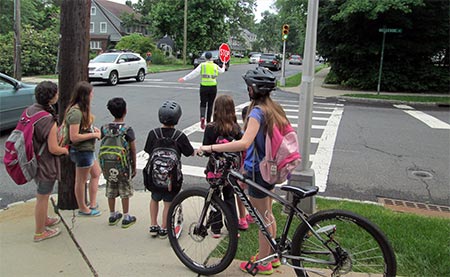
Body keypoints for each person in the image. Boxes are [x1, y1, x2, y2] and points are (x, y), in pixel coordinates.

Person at [200, 67, 286, 275]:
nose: (247, 89)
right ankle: (272, 256)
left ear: (253, 89)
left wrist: (211, 148)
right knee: (268, 213)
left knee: (262, 219)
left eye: (249, 86)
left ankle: (264, 263)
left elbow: (244, 143)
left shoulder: (257, 112)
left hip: (259, 171)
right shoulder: (274, 108)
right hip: (271, 167)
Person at [144, 100, 196, 239]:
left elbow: (149, 151)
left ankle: (153, 225)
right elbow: (189, 152)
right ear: (178, 118)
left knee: (154, 199)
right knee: (168, 202)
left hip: (154, 176)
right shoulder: (179, 136)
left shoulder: (153, 133)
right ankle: (164, 227)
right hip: (170, 179)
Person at [30, 81, 69, 242]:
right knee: (43, 196)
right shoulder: (48, 119)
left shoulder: (31, 110)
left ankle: (44, 219)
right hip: (45, 163)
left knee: (41, 193)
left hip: (32, 158)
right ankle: (40, 232)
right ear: (52, 97)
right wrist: (65, 150)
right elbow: (53, 148)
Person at [202, 95, 242, 238]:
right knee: (230, 198)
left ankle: (216, 228)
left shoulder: (211, 128)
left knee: (214, 197)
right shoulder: (236, 128)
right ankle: (232, 228)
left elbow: (207, 150)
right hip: (231, 171)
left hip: (215, 170)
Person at [65, 81, 102, 217]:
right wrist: (94, 134)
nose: (92, 95)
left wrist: (92, 129)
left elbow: (82, 128)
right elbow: (74, 137)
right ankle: (83, 208)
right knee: (80, 180)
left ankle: (92, 203)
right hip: (81, 151)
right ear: (85, 95)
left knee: (96, 173)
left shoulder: (82, 110)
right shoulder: (76, 112)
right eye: (91, 93)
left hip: (88, 150)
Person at [101, 97, 137, 228]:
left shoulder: (104, 128)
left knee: (111, 187)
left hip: (108, 164)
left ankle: (112, 215)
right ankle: (126, 216)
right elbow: (132, 149)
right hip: (123, 165)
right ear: (125, 111)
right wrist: (134, 166)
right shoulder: (127, 129)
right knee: (124, 190)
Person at [178, 51, 226, 129]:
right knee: (210, 104)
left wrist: (184, 78)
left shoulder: (202, 65)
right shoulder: (215, 66)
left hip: (204, 86)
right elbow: (222, 71)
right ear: (211, 58)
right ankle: (209, 121)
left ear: (205, 58)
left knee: (203, 103)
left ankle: (202, 117)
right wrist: (223, 65)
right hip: (213, 87)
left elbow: (194, 73)